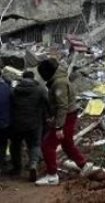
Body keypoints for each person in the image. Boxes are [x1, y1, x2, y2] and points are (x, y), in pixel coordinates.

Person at [35, 58, 94, 186]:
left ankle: (52, 175)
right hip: (69, 116)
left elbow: (62, 106)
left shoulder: (58, 83)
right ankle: (83, 165)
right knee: (67, 144)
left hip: (66, 117)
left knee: (47, 145)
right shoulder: (60, 79)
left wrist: (58, 127)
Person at [10, 71, 49, 182]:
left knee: (15, 146)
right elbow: (48, 103)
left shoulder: (14, 90)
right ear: (33, 78)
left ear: (22, 78)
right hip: (35, 123)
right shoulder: (40, 89)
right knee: (34, 145)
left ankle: (17, 167)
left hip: (16, 123)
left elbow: (9, 104)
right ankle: (33, 164)